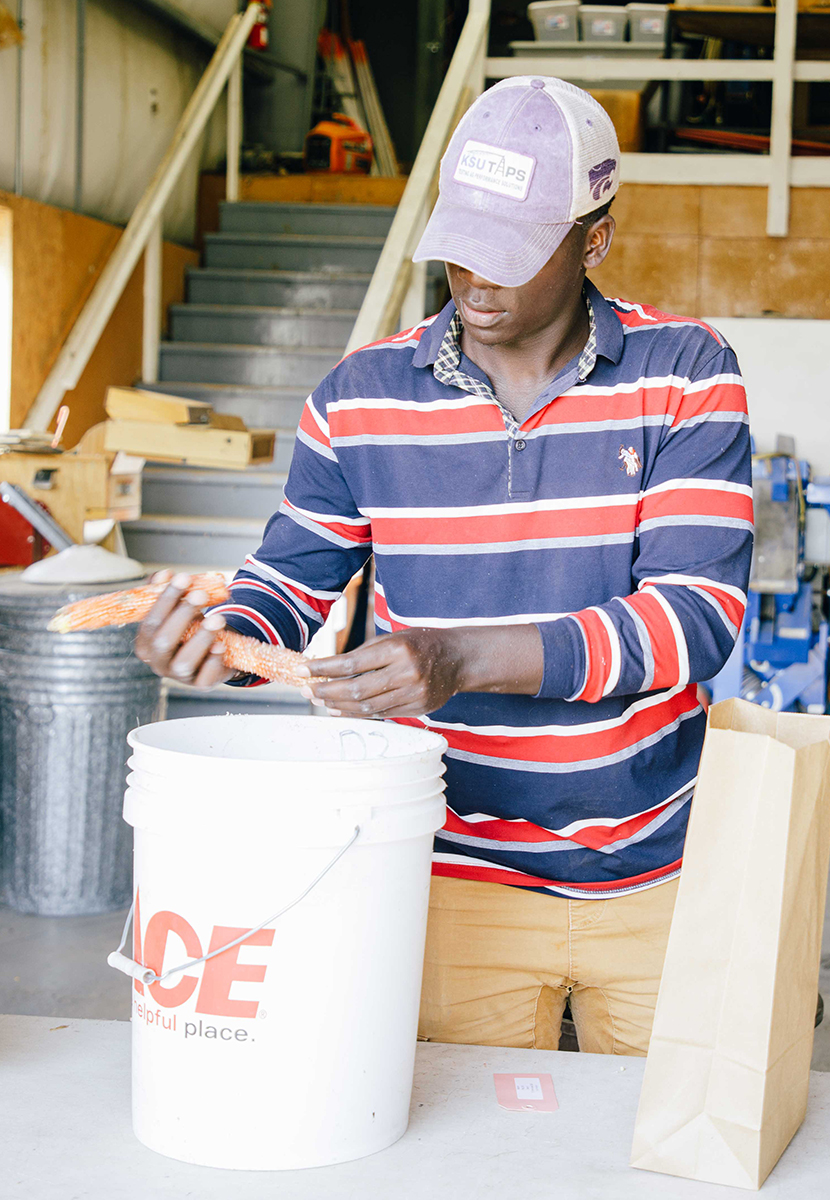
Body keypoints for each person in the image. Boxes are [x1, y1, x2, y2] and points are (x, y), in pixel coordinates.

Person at [135, 76, 753, 1056]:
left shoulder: (684, 374)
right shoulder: (360, 398)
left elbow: (696, 619)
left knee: (655, 1156)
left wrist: (463, 657)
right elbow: (286, 586)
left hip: (652, 872)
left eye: (510, 251)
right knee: (470, 1155)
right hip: (445, 874)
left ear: (594, 238)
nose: (475, 278)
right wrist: (225, 640)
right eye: (460, 241)